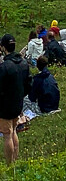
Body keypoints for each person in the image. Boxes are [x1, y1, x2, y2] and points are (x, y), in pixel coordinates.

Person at [0, 35, 30, 164]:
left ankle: (9, 163)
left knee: (7, 134)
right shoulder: (23, 63)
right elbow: (29, 83)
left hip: (5, 105)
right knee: (14, 130)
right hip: (18, 102)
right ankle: (15, 159)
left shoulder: (5, 66)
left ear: (3, 47)